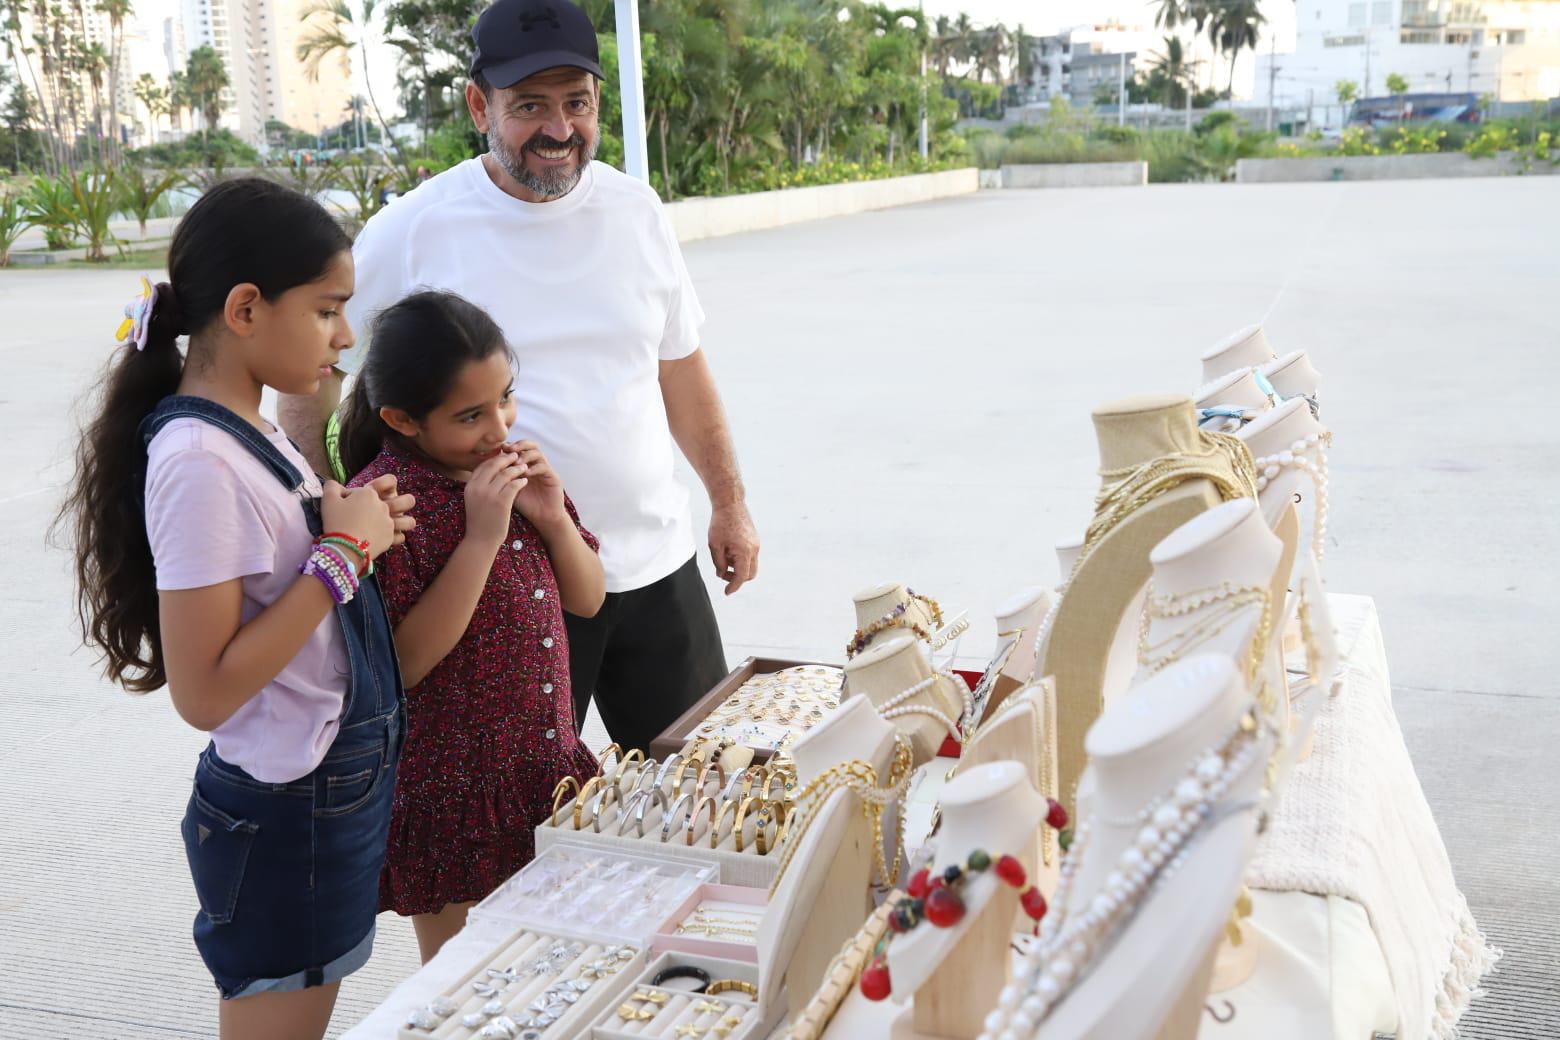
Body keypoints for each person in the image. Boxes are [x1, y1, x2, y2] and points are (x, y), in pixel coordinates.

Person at [279, 0, 759, 754]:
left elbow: (681, 371)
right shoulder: (413, 228)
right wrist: (326, 499)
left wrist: (729, 504)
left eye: (578, 103)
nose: (560, 130)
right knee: (520, 826)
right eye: (530, 105)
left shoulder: (638, 212)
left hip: (657, 567)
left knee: (701, 792)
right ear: (480, 105)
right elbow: (310, 367)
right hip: (506, 592)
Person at [55, 177, 415, 1039]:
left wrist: (348, 528)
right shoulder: (199, 461)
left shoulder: (244, 429)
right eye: (328, 310)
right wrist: (344, 556)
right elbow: (205, 691)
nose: (346, 335)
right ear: (247, 308)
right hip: (288, 813)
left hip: (320, 791)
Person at [337, 290, 605, 961]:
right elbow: (402, 665)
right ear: (401, 418)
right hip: (456, 800)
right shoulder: (386, 504)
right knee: (467, 982)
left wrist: (552, 519)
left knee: (554, 965)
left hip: (543, 770)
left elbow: (590, 598)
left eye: (505, 399)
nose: (499, 428)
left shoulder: (511, 476)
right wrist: (482, 538)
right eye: (470, 415)